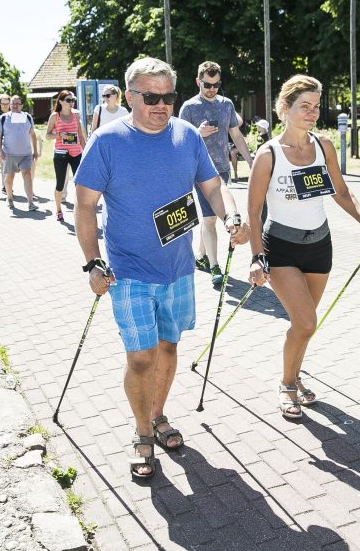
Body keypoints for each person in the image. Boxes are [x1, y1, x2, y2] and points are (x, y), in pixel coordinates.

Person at [74, 57, 249, 480]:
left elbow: (212, 185)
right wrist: (92, 263)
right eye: (151, 98)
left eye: (167, 97)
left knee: (168, 349)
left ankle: (158, 414)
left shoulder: (186, 136)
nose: (161, 105)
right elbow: (84, 205)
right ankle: (140, 433)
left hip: (178, 267)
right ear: (130, 97)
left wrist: (231, 215)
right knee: (140, 358)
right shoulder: (107, 141)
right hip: (128, 269)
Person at [246, 74, 360, 420]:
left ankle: (295, 374)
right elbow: (253, 210)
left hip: (319, 245)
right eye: (303, 106)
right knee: (306, 321)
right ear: (284, 108)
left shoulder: (323, 145)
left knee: (304, 323)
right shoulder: (268, 155)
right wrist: (256, 257)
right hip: (280, 247)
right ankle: (286, 385)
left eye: (315, 107)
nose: (311, 113)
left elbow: (341, 191)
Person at [178, 61, 254, 285]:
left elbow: (236, 136)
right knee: (211, 218)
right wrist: (197, 133)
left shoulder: (226, 104)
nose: (212, 89)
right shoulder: (189, 107)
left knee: (209, 217)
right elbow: (178, 141)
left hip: (222, 169)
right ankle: (214, 266)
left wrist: (251, 161)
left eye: (216, 85)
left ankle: (200, 256)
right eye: (207, 85)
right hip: (200, 172)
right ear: (198, 81)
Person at [45, 90, 86, 222]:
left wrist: (85, 152)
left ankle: (80, 210)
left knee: (80, 184)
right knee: (60, 184)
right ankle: (58, 210)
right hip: (61, 154)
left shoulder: (76, 115)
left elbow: (80, 135)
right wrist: (59, 135)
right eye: (68, 100)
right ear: (61, 101)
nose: (71, 103)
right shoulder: (54, 116)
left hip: (76, 153)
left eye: (73, 100)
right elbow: (47, 135)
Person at [0, 95, 40, 212]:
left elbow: (32, 134)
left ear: (22, 105)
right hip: (9, 153)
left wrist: (35, 150)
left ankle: (30, 202)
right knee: (9, 177)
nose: (14, 106)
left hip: (26, 153)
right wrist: (0, 150)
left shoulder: (28, 117)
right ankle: (9, 198)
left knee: (27, 175)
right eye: (12, 103)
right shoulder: (3, 118)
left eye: (17, 103)